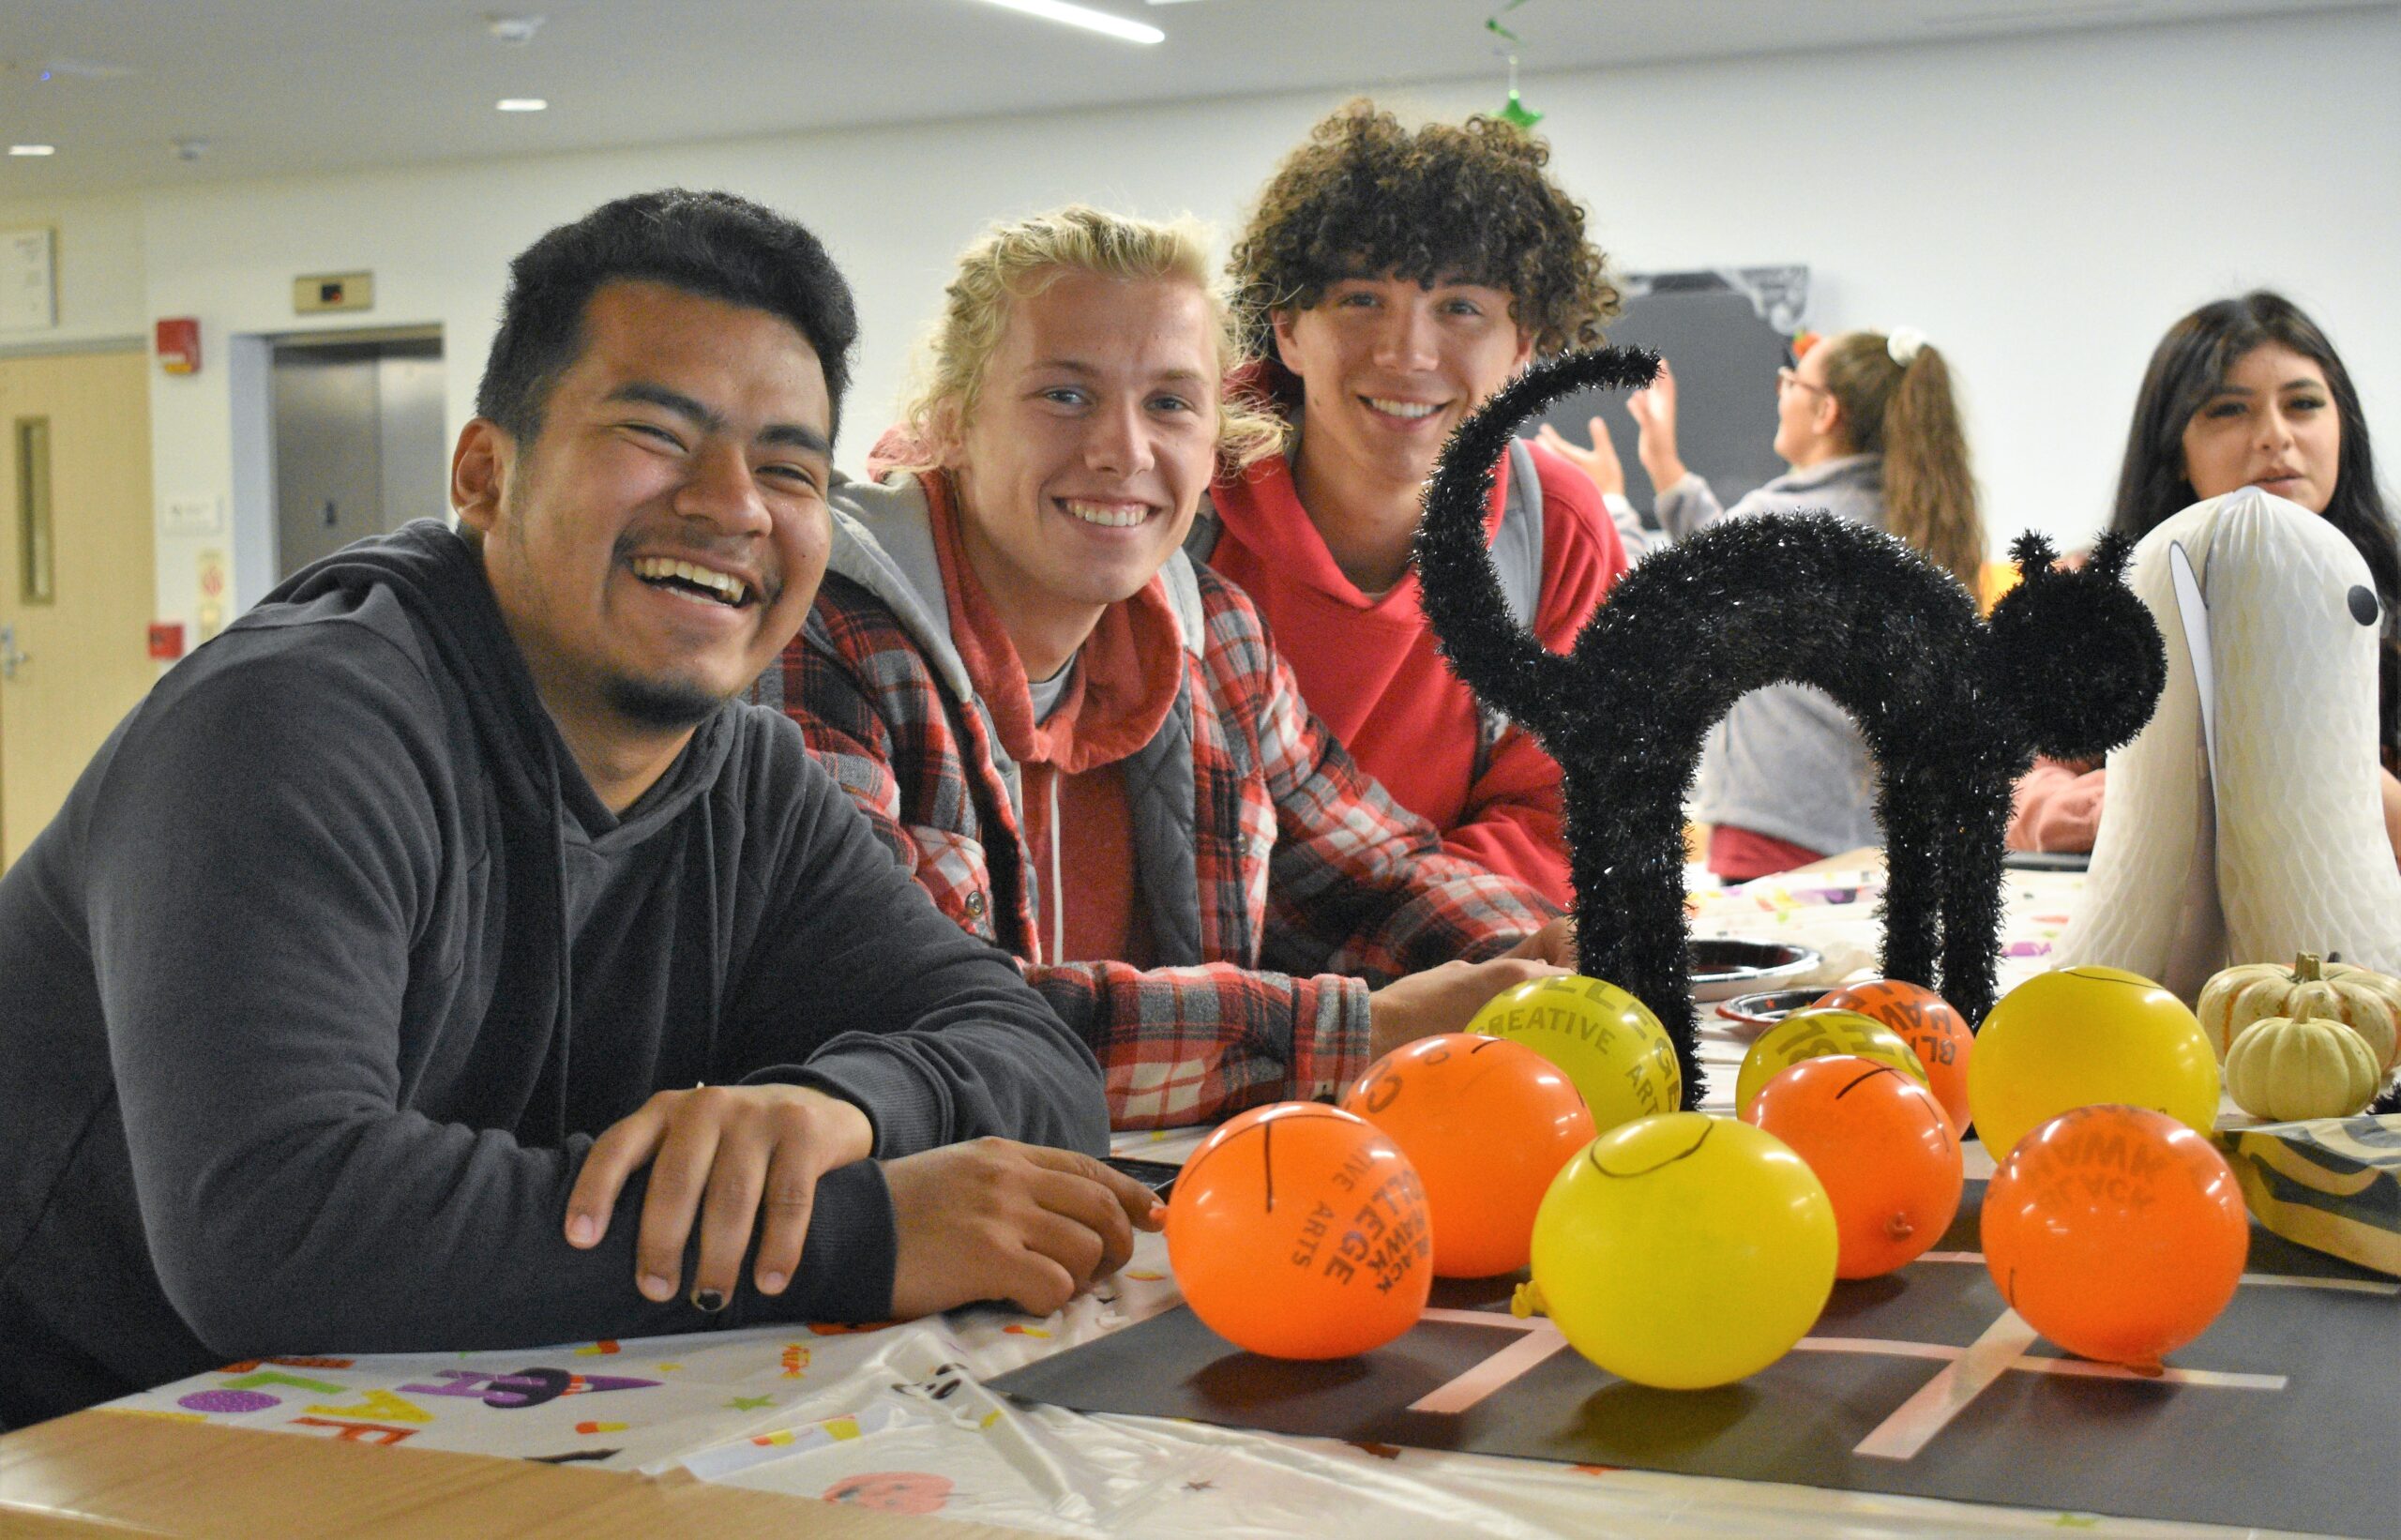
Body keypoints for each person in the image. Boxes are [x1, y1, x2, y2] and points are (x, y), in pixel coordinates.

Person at [0, 190, 1152, 1430]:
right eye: (658, 435)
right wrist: (852, 1229)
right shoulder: (289, 727)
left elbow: (1032, 1058)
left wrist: (842, 1112)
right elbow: (276, 1225)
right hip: (79, 1455)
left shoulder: (748, 785)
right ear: (487, 473)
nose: (731, 504)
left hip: (399, 1440)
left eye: (788, 466)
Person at [755, 205, 1573, 1129]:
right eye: (1066, 394)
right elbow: (918, 1020)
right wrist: (1360, 1030)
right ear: (950, 418)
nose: (1124, 451)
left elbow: (1372, 876)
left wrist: (1538, 955)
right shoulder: (817, 631)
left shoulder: (1207, 626)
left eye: (1171, 403)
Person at [1202, 101, 1630, 909]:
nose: (1407, 353)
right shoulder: (1173, 495)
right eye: (1362, 299)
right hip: (1189, 1001)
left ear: (1526, 349)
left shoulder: (1554, 532)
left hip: (1443, 993)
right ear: (1287, 329)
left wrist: (1367, 951)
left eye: (1461, 307)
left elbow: (1567, 819)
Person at [1542, 329, 1986, 880]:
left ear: (1825, 412)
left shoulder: (1782, 524)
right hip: (1893, 844)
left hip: (1781, 838)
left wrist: (1608, 499)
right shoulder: (1915, 523)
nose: (1780, 393)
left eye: (1790, 382)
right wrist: (1664, 465)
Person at [2008, 290, 2401, 866]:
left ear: (2345, 429)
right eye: (2229, 409)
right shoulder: (2090, 595)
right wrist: (2157, 799)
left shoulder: (2385, 595)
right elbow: (2007, 781)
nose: (2274, 436)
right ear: (2174, 450)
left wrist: (2331, 774)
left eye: (2304, 404)